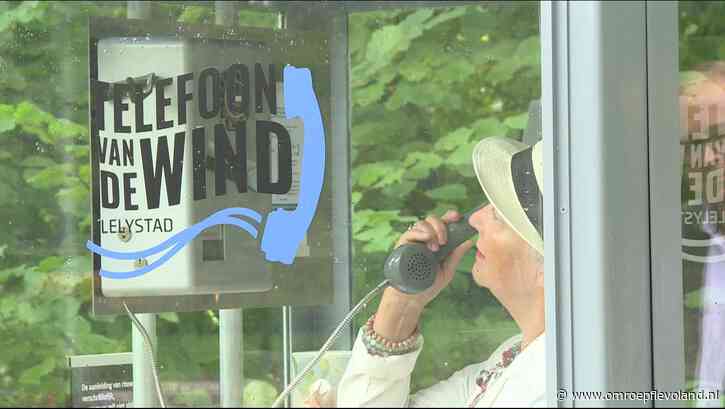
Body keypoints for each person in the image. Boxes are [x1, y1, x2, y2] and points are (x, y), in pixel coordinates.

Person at [334, 136, 546, 407]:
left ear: (548, 267)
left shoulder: (547, 386)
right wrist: (403, 300)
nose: (474, 218)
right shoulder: (510, 358)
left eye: (499, 216)